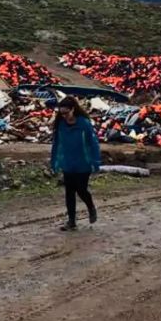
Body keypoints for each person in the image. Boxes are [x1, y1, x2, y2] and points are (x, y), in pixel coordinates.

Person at [50, 96, 101, 231]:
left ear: (73, 109)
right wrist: (54, 161)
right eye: (62, 113)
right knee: (69, 192)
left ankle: (90, 207)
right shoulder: (61, 124)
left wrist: (96, 161)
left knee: (81, 189)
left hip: (83, 162)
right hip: (68, 161)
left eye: (66, 113)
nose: (64, 116)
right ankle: (71, 221)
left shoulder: (84, 123)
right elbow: (57, 144)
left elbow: (93, 143)